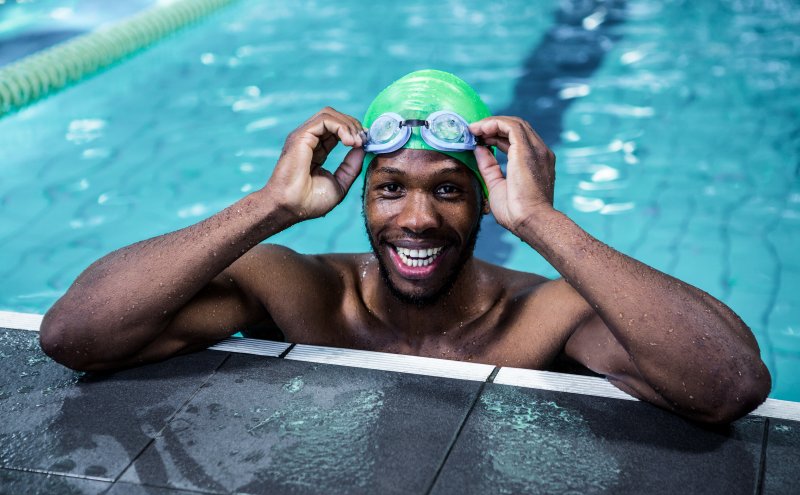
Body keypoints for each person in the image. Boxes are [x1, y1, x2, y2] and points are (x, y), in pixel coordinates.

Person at [40, 70, 770, 424]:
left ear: (484, 199)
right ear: (361, 195)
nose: (417, 218)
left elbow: (729, 384)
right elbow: (76, 333)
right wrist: (268, 207)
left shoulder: (542, 315)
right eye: (390, 188)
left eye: (449, 190)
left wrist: (545, 222)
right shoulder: (302, 293)